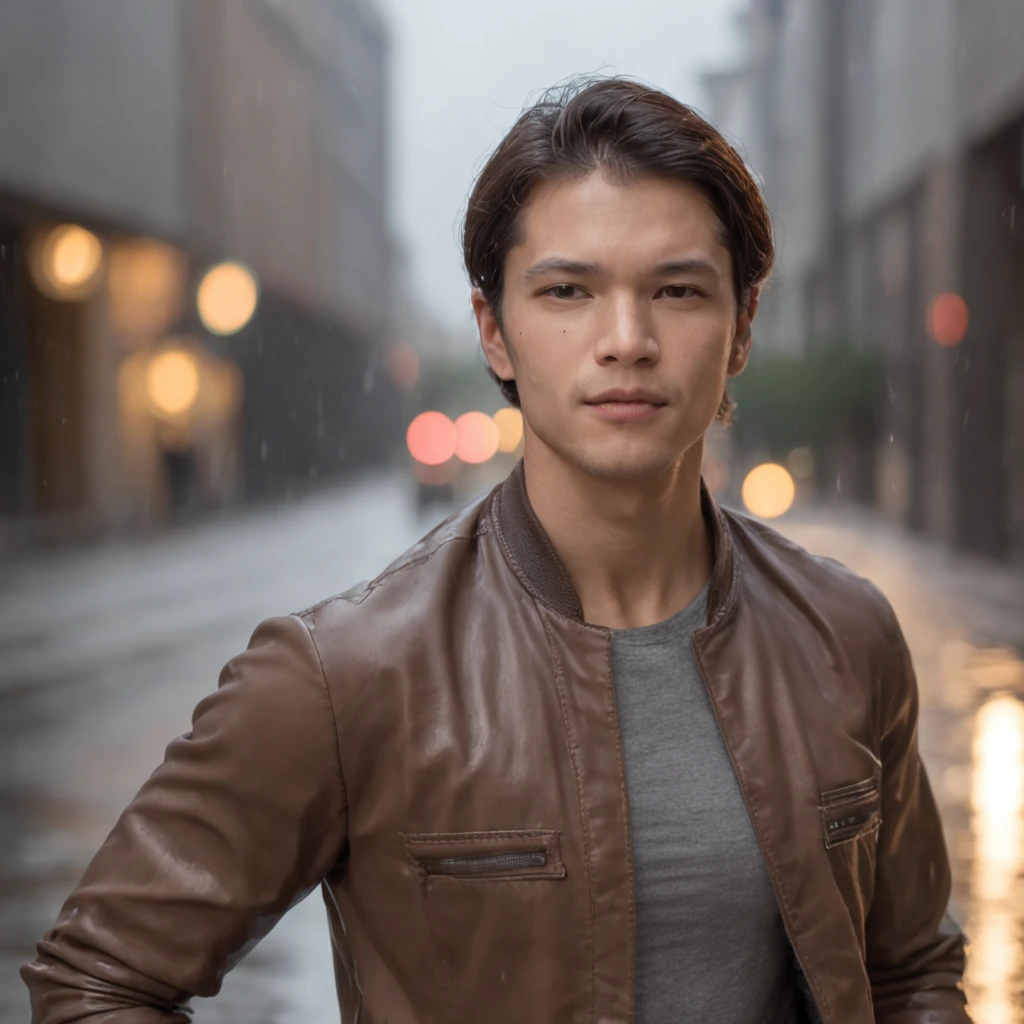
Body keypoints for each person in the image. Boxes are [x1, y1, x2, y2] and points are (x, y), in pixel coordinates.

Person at [23, 77, 969, 1024]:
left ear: (741, 328)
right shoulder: (351, 672)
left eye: (677, 290)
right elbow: (97, 980)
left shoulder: (844, 633)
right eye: (569, 291)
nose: (626, 340)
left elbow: (911, 973)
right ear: (495, 332)